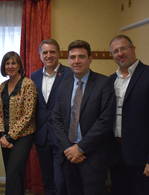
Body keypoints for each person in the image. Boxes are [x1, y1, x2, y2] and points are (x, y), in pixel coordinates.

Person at [52, 40, 116, 195]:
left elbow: (105, 121)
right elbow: (57, 119)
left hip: (93, 156)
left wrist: (80, 148)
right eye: (73, 57)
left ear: (90, 58)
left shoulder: (104, 83)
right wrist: (68, 148)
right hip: (68, 156)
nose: (77, 61)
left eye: (81, 56)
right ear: (68, 60)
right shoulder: (64, 85)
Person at [31, 39, 72, 195]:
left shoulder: (70, 74)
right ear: (41, 55)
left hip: (63, 136)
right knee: (47, 179)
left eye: (52, 52)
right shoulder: (34, 76)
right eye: (45, 52)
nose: (49, 55)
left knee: (61, 180)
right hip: (41, 137)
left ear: (59, 54)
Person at [109, 35, 149, 195]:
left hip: (141, 155)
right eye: (115, 51)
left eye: (123, 48)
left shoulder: (147, 75)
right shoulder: (111, 80)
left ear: (133, 49)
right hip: (115, 153)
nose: (120, 53)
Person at [0, 51, 37, 195]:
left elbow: (29, 114)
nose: (10, 66)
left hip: (23, 136)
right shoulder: (2, 86)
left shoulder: (28, 84)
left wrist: (10, 137)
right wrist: (2, 134)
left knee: (13, 174)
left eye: (14, 63)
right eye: (7, 63)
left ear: (19, 65)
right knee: (13, 175)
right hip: (5, 137)